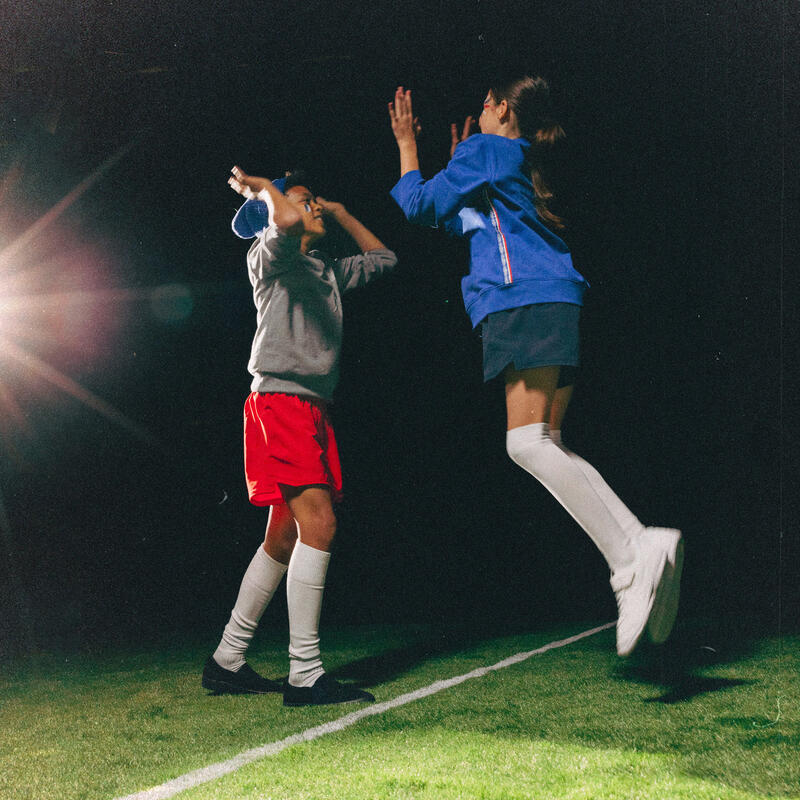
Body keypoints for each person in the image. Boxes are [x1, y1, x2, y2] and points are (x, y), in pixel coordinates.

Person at [388, 77, 683, 656]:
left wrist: (406, 145)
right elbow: (462, 223)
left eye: (483, 103)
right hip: (555, 299)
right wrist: (457, 170)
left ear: (500, 108)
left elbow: (420, 206)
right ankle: (636, 554)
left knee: (524, 444)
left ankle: (633, 555)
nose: (477, 112)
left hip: (521, 299)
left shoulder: (488, 151)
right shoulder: (506, 158)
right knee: (548, 439)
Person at [202, 166, 397, 705]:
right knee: (321, 523)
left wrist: (338, 212)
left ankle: (226, 659)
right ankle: (305, 673)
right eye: (305, 202)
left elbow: (384, 259)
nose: (312, 208)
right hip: (281, 404)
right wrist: (266, 189)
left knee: (283, 536)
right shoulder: (271, 254)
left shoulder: (326, 269)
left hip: (310, 409)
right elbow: (284, 220)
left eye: (313, 201)